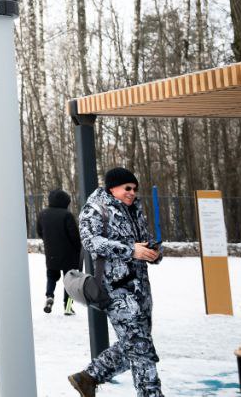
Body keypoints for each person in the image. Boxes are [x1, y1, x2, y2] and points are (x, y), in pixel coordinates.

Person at [68, 168, 163, 397]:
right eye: (127, 188)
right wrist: (130, 250)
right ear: (112, 188)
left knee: (136, 342)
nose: (132, 192)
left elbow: (143, 240)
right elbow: (91, 241)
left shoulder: (134, 209)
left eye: (135, 189)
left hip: (141, 289)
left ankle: (89, 377)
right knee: (140, 347)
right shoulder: (95, 208)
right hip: (116, 289)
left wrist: (153, 252)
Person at [38, 188, 81, 316]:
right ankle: (68, 307)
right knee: (70, 281)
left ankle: (49, 296)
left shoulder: (43, 214)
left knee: (51, 276)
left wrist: (49, 242)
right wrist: (78, 248)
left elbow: (40, 232)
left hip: (51, 252)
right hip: (69, 254)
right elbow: (74, 235)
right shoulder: (67, 215)